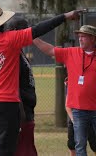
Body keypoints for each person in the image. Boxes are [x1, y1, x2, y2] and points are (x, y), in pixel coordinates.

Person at [0, 1, 81, 156]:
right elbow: (40, 28)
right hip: (6, 104)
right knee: (5, 149)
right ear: (1, 22)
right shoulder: (11, 39)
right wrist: (65, 16)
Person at [33, 24, 96, 155]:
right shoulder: (71, 52)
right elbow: (50, 50)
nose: (80, 39)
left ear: (93, 39)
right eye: (79, 36)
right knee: (80, 144)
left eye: (84, 36)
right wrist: (33, 38)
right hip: (78, 110)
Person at [4, 17, 38, 156]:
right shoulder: (13, 54)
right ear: (15, 32)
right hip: (21, 111)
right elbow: (13, 85)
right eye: (25, 31)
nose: (27, 35)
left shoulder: (20, 51)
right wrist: (21, 112)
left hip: (27, 109)